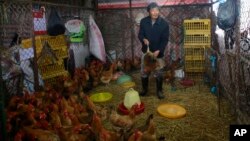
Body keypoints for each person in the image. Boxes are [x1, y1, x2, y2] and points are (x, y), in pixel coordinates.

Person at [138, 2, 169, 99]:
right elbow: (140, 34)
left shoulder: (164, 24)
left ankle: (159, 91)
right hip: (146, 52)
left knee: (158, 72)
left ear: (159, 11)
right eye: (152, 10)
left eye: (157, 10)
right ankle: (144, 89)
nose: (155, 12)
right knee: (144, 71)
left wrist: (159, 50)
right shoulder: (143, 21)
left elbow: (165, 39)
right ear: (149, 12)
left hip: (157, 52)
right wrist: (143, 39)